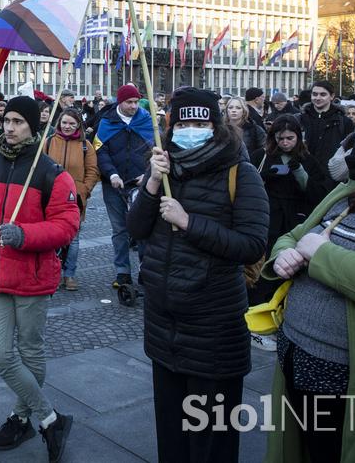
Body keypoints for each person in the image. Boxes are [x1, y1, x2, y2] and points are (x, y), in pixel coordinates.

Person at [263, 87, 355, 462]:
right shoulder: (351, 189)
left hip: (346, 377)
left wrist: (322, 255)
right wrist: (284, 256)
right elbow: (295, 236)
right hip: (297, 354)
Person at [126, 87, 268, 463]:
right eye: (183, 122)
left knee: (210, 439)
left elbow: (252, 244)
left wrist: (190, 223)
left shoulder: (241, 173)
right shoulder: (161, 167)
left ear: (215, 126)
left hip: (213, 328)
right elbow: (136, 228)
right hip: (163, 325)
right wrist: (152, 185)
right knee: (172, 434)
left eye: (200, 122)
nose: (190, 128)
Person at [0, 96, 80, 461]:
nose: (9, 128)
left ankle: (20, 416)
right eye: (6, 120)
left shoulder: (51, 173)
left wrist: (25, 235)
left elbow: (67, 224)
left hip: (31, 276)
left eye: (17, 121)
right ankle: (50, 417)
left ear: (33, 126)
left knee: (30, 351)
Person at [247, 115, 327, 339]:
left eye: (290, 138)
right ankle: (258, 312)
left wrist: (299, 172)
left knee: (288, 265)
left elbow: (318, 193)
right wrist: (264, 176)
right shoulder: (261, 156)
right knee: (263, 267)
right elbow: (248, 186)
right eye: (281, 138)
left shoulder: (308, 160)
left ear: (298, 138)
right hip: (268, 219)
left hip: (295, 221)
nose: (285, 143)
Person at [93, 84, 154, 288]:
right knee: (119, 229)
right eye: (129, 102)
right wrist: (112, 174)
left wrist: (147, 174)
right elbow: (100, 151)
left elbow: (157, 149)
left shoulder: (147, 120)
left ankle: (145, 269)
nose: (134, 106)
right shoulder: (106, 122)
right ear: (120, 102)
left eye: (136, 102)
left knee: (143, 229)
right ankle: (122, 271)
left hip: (141, 183)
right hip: (114, 184)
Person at [43, 107, 100, 291]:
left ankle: (69, 275)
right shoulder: (49, 142)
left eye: (72, 124)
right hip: (51, 196)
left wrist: (84, 189)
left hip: (75, 198)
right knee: (52, 237)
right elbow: (38, 166)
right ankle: (53, 273)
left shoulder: (86, 146)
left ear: (78, 126)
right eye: (65, 122)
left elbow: (92, 171)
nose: (67, 126)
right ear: (59, 122)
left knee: (73, 239)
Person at [297, 80, 355, 186]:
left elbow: (350, 152)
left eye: (323, 94)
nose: (318, 98)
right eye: (315, 94)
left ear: (331, 96)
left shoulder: (345, 122)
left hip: (332, 180)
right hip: (304, 177)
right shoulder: (299, 119)